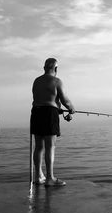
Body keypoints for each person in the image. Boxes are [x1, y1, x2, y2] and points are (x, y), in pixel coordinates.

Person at [30, 58, 75, 186]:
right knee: (50, 146)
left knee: (39, 146)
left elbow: (43, 99)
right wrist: (71, 109)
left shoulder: (36, 81)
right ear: (56, 69)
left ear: (44, 68)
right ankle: (50, 178)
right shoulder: (57, 81)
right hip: (49, 114)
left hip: (36, 112)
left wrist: (58, 110)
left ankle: (38, 176)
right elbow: (65, 100)